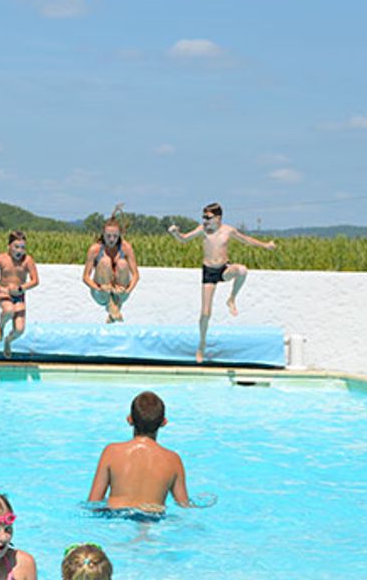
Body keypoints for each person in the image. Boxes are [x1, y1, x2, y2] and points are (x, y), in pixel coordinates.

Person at [168, 202, 276, 363]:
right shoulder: (202, 230)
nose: (205, 220)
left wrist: (266, 246)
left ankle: (232, 298)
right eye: (203, 217)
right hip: (209, 272)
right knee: (205, 314)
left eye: (208, 217)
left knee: (242, 270)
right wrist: (175, 233)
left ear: (218, 218)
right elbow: (184, 239)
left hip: (224, 269)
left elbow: (246, 240)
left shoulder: (228, 230)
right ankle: (202, 344)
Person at [87, 391, 190, 512]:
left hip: (116, 516)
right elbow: (184, 506)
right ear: (164, 422)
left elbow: (93, 502)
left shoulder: (111, 452)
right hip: (152, 517)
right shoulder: (173, 460)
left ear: (129, 420)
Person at [0, 231, 39, 359]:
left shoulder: (27, 260)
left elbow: (35, 280)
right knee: (9, 310)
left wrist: (21, 288)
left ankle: (8, 341)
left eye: (23, 248)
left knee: (19, 330)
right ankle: (0, 326)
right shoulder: (1, 259)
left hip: (18, 295)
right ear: (9, 246)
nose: (20, 251)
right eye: (16, 247)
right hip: (3, 293)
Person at [82, 207, 139, 323]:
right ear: (103, 234)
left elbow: (136, 275)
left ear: (120, 234)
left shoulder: (126, 247)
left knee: (123, 263)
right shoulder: (95, 249)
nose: (112, 239)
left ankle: (114, 310)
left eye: (115, 236)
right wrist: (99, 288)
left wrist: (127, 291)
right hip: (101, 292)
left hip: (120, 291)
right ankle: (111, 306)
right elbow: (85, 277)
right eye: (108, 236)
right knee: (105, 261)